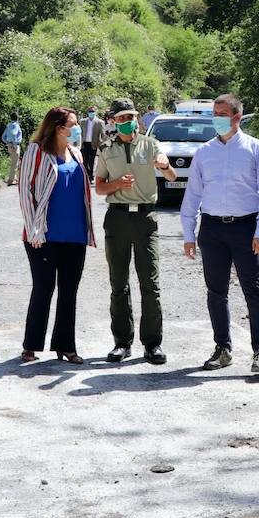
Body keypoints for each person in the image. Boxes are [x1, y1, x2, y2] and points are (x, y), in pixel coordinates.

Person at [180, 93, 259, 374]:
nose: (216, 119)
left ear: (236, 117)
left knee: (254, 289)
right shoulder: (205, 152)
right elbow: (193, 194)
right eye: (215, 113)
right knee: (216, 291)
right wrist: (189, 233)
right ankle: (223, 349)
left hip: (245, 228)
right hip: (212, 229)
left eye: (222, 114)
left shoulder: (256, 149)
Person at [94, 97, 177, 365]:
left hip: (145, 219)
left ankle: (152, 344)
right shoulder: (106, 148)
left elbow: (172, 177)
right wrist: (117, 183)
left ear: (136, 118)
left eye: (130, 117)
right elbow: (99, 187)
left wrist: (164, 166)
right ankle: (122, 343)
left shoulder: (151, 145)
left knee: (150, 285)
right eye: (120, 118)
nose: (126, 122)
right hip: (117, 219)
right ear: (113, 122)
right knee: (119, 284)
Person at [17, 106, 95, 364]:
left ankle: (66, 346)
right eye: (72, 124)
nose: (77, 128)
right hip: (44, 235)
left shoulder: (76, 153)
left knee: (69, 291)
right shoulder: (36, 151)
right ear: (58, 128)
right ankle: (31, 345)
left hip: (75, 235)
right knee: (43, 289)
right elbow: (26, 192)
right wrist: (33, 229)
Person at [79, 106, 103, 178]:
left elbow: (103, 134)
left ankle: (91, 176)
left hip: (93, 144)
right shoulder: (82, 121)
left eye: (92, 111)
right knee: (84, 161)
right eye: (90, 111)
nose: (91, 113)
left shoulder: (99, 122)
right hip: (84, 144)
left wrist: (100, 143)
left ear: (95, 112)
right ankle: (86, 175)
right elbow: (80, 132)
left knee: (91, 161)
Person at [2, 113, 23, 186]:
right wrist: (14, 144)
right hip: (15, 145)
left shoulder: (8, 125)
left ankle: (14, 178)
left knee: (13, 162)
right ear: (17, 118)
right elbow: (14, 134)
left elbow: (3, 137)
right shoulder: (16, 125)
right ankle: (11, 180)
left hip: (9, 145)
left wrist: (7, 142)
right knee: (15, 163)